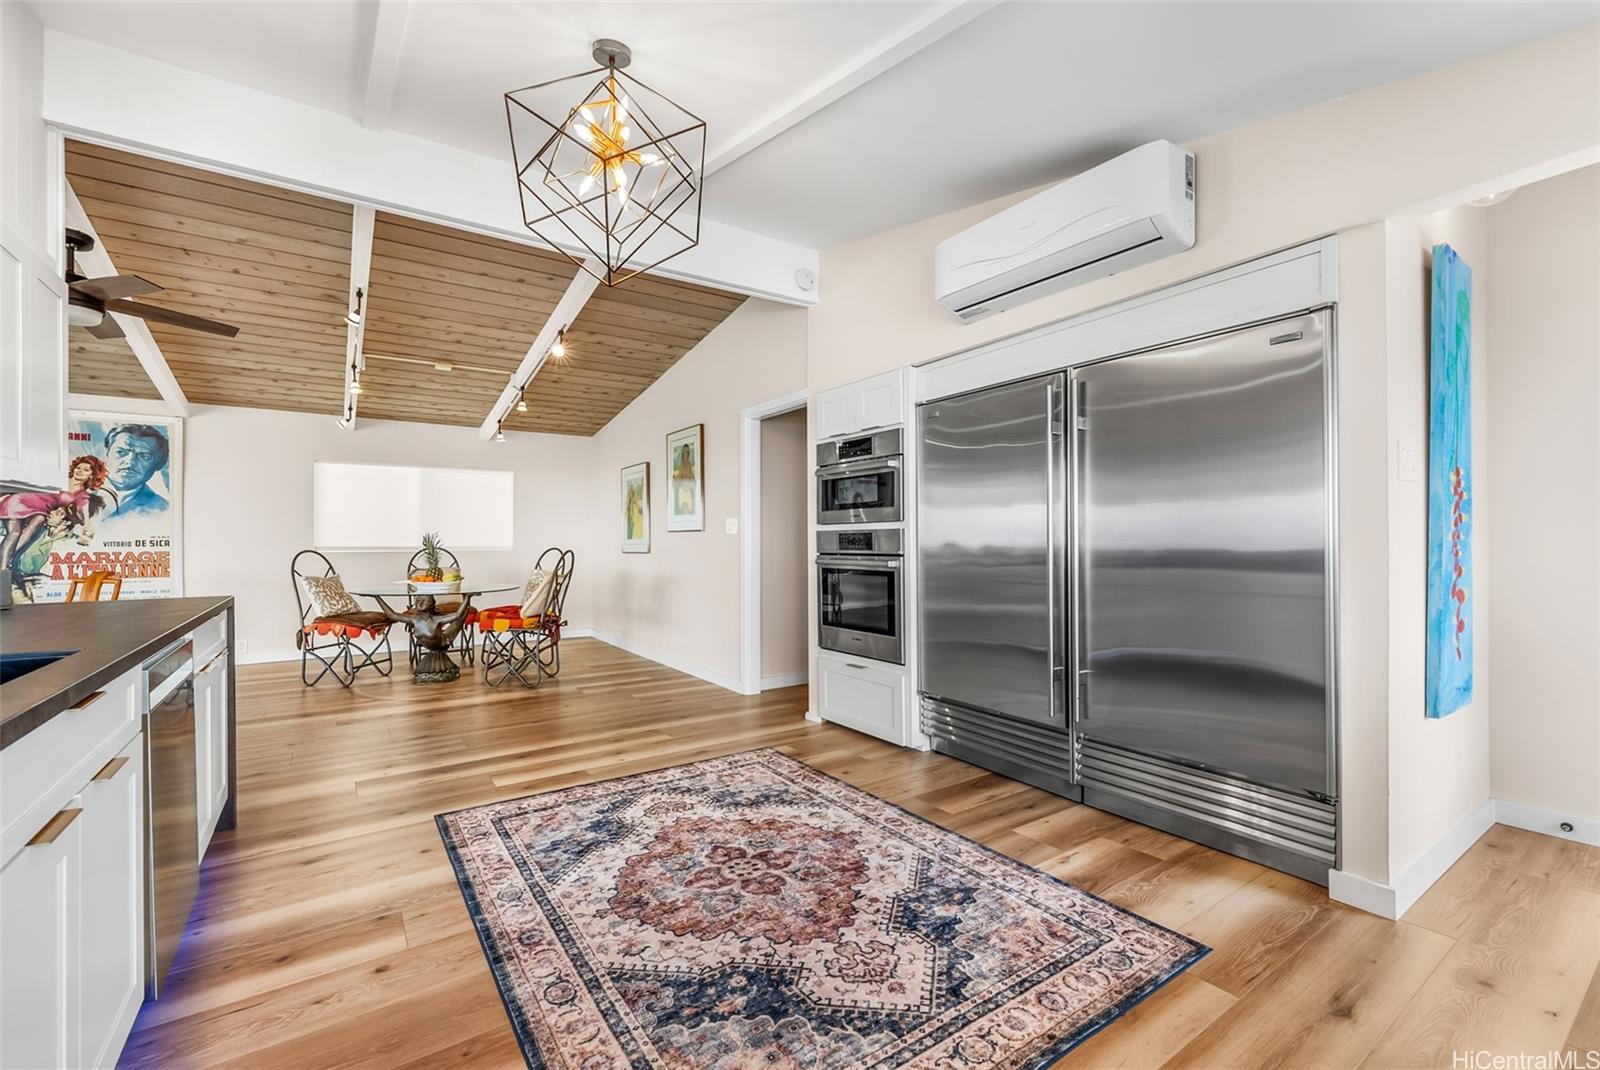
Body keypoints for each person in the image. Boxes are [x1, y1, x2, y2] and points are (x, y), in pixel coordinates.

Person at [0, 455, 107, 572]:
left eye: (86, 470)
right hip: (21, 501)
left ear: (92, 475)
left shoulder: (82, 496)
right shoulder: (60, 479)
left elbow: (85, 519)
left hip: (40, 511)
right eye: (78, 468)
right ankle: (3, 569)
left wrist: (87, 532)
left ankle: (8, 564)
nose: (80, 472)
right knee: (14, 533)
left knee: (39, 520)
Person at [102, 423, 170, 518]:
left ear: (159, 464)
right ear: (107, 454)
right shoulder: (78, 490)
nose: (130, 462)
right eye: (121, 452)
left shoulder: (163, 510)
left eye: (144, 456)